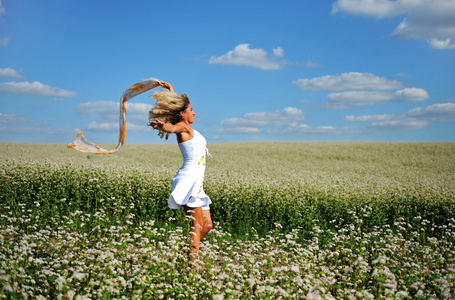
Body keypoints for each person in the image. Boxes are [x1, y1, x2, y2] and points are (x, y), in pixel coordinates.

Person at [147, 81, 212, 261]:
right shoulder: (182, 128)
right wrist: (162, 126)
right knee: (197, 225)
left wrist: (170, 91)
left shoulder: (189, 128)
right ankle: (192, 263)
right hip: (188, 180)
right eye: (191, 109)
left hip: (197, 182)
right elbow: (172, 127)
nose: (194, 112)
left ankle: (187, 252)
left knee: (206, 226)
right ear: (182, 113)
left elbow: (175, 111)